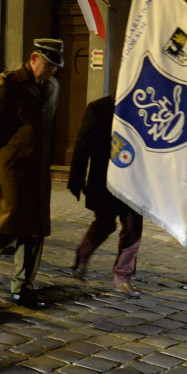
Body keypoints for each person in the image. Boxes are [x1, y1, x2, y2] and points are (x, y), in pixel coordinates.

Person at [0, 39, 62, 309]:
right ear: (34, 58)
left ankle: (22, 288)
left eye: (55, 67)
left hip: (38, 172)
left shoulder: (51, 87)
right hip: (10, 171)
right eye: (48, 65)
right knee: (6, 227)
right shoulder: (8, 83)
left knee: (36, 230)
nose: (51, 71)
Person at [67, 96, 144, 295]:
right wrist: (77, 178)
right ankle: (83, 254)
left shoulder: (144, 111)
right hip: (105, 182)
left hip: (134, 182)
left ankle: (122, 276)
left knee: (133, 228)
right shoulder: (99, 108)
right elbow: (82, 147)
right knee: (105, 224)